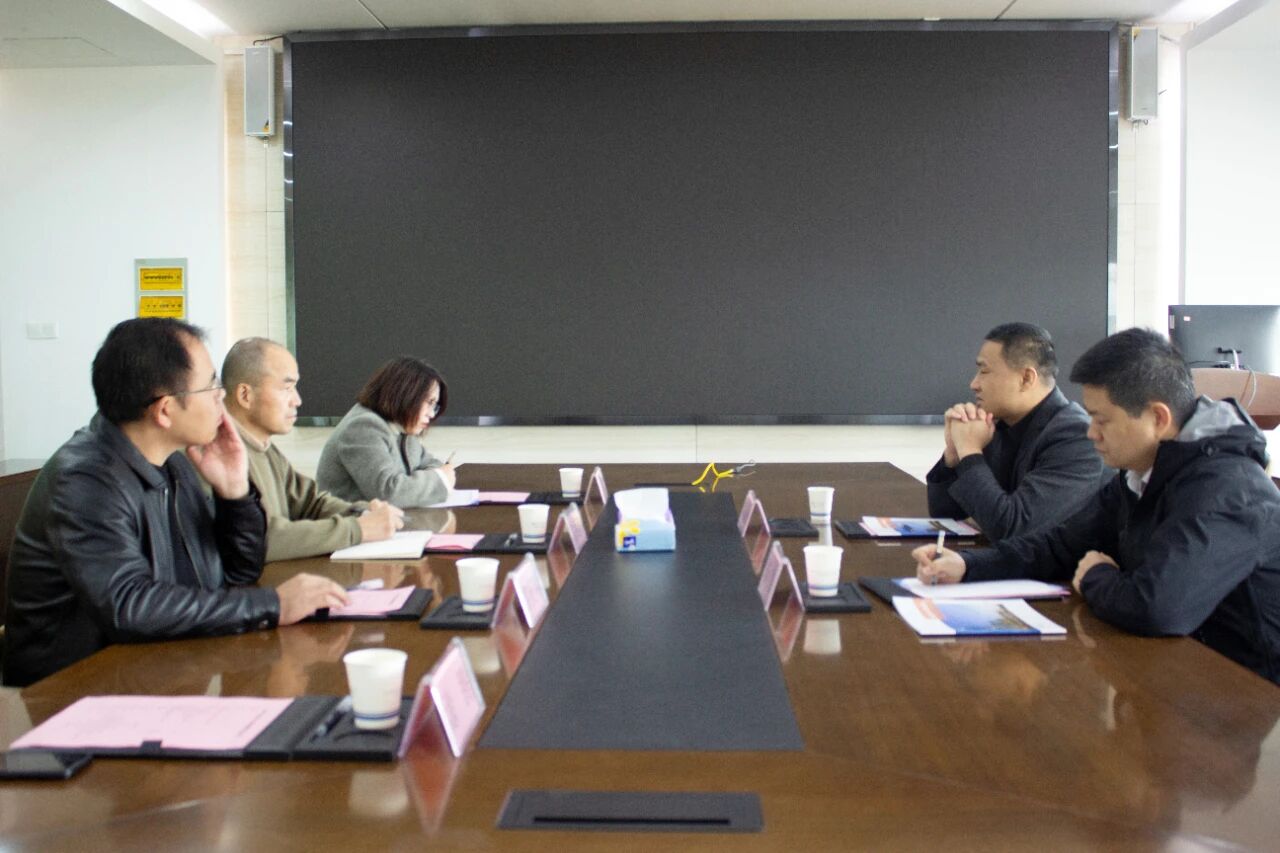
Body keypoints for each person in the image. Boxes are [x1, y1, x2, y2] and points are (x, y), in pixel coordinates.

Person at [915, 328, 1280, 685]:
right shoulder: (1140, 474)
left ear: (1158, 418)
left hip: (1248, 690)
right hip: (1180, 671)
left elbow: (1157, 608)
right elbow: (1060, 545)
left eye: (1102, 420)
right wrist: (968, 566)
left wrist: (1095, 575)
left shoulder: (1228, 491)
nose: (1091, 432)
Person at [2, 319, 349, 687]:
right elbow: (130, 606)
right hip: (67, 691)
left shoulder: (175, 463)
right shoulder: (84, 481)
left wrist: (234, 494)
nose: (221, 398)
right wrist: (274, 605)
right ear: (165, 409)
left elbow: (237, 573)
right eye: (212, 386)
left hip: (153, 669)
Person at [222, 338, 405, 561]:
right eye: (286, 388)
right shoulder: (220, 456)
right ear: (245, 395)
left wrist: (363, 513)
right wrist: (358, 529)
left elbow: (311, 503)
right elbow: (261, 539)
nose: (297, 400)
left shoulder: (264, 448)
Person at [926, 322, 1105, 541]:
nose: (974, 384)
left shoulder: (1076, 437)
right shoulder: (996, 425)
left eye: (984, 371)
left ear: (1026, 378)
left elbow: (1013, 529)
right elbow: (946, 514)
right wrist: (954, 456)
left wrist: (970, 451)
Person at [316, 356, 457, 506]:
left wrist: (428, 479)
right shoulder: (363, 427)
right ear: (405, 394)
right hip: (351, 519)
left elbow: (431, 464)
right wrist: (440, 480)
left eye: (434, 406)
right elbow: (388, 494)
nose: (432, 414)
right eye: (429, 402)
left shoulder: (403, 428)